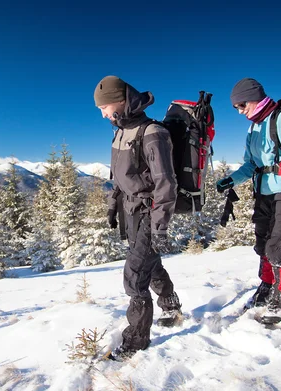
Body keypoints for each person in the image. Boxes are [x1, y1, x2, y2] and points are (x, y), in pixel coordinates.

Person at [94, 75, 182, 359]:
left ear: (120, 100)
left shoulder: (152, 132)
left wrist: (160, 226)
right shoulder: (120, 132)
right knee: (149, 263)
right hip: (129, 211)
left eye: (104, 107)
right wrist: (111, 206)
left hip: (148, 211)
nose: (102, 113)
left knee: (134, 275)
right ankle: (170, 304)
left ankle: (135, 341)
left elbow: (166, 183)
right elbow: (118, 178)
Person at [217, 78, 281, 324]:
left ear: (254, 97)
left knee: (277, 247)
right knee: (262, 245)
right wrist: (232, 180)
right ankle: (268, 284)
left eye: (242, 105)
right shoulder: (254, 127)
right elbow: (252, 164)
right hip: (263, 193)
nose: (240, 111)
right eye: (236, 108)